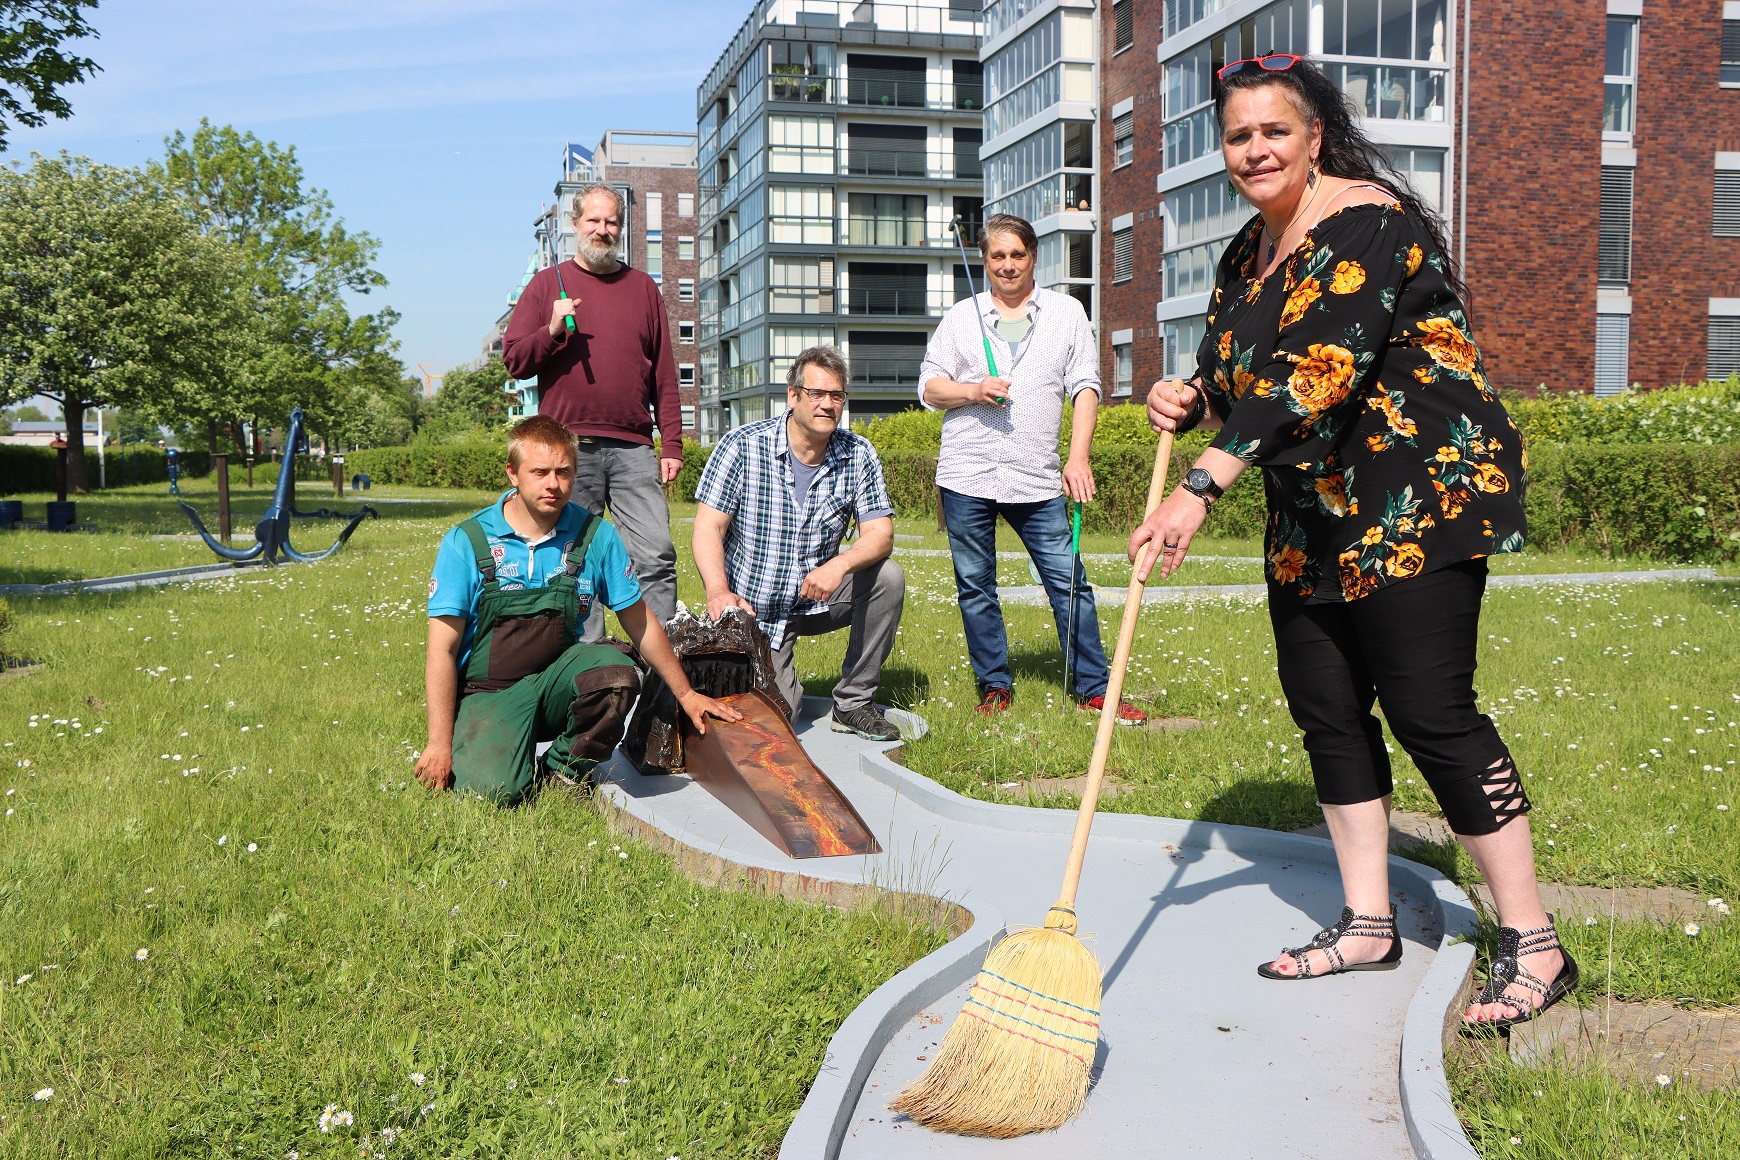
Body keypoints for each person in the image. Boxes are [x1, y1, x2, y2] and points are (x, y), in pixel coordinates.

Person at [1131, 54, 1574, 1029]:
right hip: (1314, 513)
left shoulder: (1368, 221)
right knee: (1327, 709)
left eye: (1272, 131)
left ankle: (1536, 940)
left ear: (1312, 136)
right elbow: (1236, 368)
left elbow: (1316, 369)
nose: (1254, 150)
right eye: (1239, 135)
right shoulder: (1249, 250)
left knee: (1431, 712)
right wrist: (1190, 393)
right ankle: (1367, 920)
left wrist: (1204, 483)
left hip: (1414, 490)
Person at [415, 415, 738, 805]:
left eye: (564, 472)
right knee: (493, 793)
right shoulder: (467, 541)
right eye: (539, 472)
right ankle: (499, 751)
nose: (553, 484)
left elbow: (638, 619)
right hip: (488, 694)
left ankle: (563, 772)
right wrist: (439, 744)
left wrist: (686, 694)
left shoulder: (595, 534)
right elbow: (442, 650)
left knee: (617, 674)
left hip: (557, 683)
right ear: (512, 473)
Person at [918, 212, 1146, 725]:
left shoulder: (1067, 313)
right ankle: (994, 686)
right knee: (976, 586)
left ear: (1034, 257)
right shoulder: (961, 317)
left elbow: (1086, 387)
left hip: (1036, 475)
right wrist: (973, 390)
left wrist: (1078, 456)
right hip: (967, 472)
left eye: (1017, 254)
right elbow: (929, 387)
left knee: (1069, 581)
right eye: (997, 256)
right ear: (984, 260)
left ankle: (1093, 688)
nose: (1007, 265)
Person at [692, 345, 906, 742]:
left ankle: (854, 703)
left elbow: (881, 535)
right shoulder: (742, 446)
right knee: (776, 720)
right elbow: (708, 528)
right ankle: (766, 680)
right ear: (793, 396)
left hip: (818, 596)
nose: (827, 404)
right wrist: (718, 591)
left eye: (837, 395)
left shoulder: (858, 455)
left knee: (887, 577)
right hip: (755, 610)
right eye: (817, 394)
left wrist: (838, 565)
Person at [502, 183, 684, 640]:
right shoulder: (548, 285)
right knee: (571, 559)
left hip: (634, 448)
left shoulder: (643, 288)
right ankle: (588, 668)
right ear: (575, 225)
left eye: (612, 222)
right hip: (568, 451)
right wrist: (552, 329)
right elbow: (515, 359)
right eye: (594, 221)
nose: (603, 230)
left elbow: (664, 370)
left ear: (621, 227)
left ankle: (660, 671)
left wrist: (673, 441)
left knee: (656, 555)